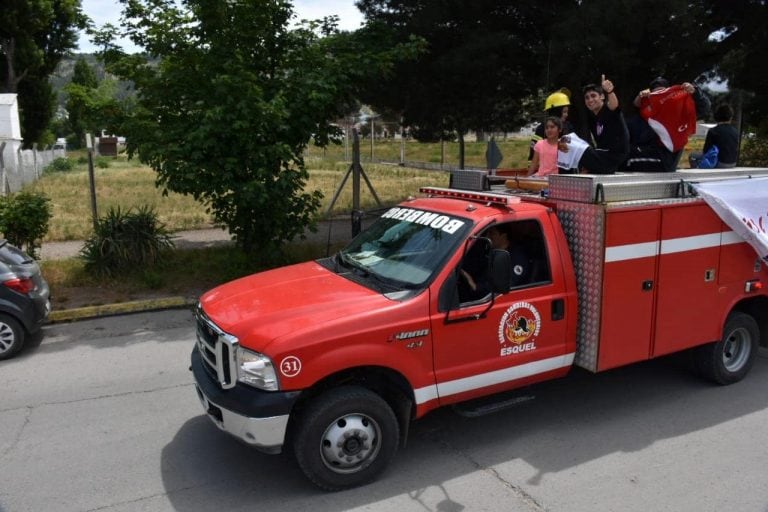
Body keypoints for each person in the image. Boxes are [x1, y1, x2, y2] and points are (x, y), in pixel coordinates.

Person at [623, 77, 710, 172]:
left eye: (663, 94)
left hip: (664, 163)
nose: (660, 99)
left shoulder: (678, 114)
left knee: (626, 159)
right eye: (656, 95)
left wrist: (695, 92)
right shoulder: (645, 117)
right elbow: (625, 128)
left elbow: (704, 109)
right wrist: (638, 103)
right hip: (644, 163)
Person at [558, 75, 629, 174]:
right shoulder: (593, 119)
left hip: (613, 157)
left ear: (602, 97)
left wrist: (610, 91)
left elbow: (614, 105)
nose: (590, 100)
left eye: (593, 96)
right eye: (587, 98)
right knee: (565, 143)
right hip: (602, 156)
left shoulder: (607, 110)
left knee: (568, 142)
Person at [528, 89, 575, 161]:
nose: (566, 115)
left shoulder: (568, 126)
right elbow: (533, 155)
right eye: (564, 112)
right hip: (547, 170)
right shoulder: (541, 129)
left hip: (566, 169)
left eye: (567, 112)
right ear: (556, 112)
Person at [689, 104, 739, 169]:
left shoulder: (713, 131)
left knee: (692, 156)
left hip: (719, 163)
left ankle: (696, 173)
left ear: (717, 116)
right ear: (730, 117)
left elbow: (706, 151)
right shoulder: (735, 131)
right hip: (733, 163)